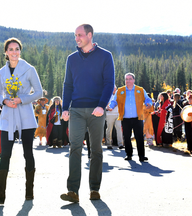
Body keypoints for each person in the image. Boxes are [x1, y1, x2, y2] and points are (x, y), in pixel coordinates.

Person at [60, 24, 114, 203]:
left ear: (89, 35)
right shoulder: (72, 59)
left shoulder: (106, 56)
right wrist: (65, 108)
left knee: (96, 150)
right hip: (75, 110)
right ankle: (73, 191)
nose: (77, 38)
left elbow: (108, 83)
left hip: (96, 111)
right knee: (75, 147)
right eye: (75, 35)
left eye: (80, 35)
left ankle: (94, 189)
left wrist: (101, 105)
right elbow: (67, 85)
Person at [0, 37, 42, 204]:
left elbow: (38, 92)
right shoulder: (1, 72)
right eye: (11, 49)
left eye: (17, 49)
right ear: (6, 52)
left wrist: (22, 99)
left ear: (20, 50)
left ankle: (29, 192)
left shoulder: (29, 69)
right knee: (5, 155)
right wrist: (4, 101)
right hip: (8, 116)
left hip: (25, 115)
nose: (14, 52)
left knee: (28, 153)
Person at [110, 73, 152, 161]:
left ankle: (141, 156)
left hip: (138, 118)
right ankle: (128, 155)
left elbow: (147, 99)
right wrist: (110, 107)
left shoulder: (140, 90)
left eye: (130, 79)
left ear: (133, 80)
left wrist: (149, 103)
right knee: (127, 137)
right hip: (125, 118)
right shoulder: (120, 91)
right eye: (126, 79)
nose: (128, 81)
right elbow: (114, 101)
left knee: (139, 137)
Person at [105, 85, 124, 149]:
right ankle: (108, 143)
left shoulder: (119, 95)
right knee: (109, 129)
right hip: (110, 114)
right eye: (113, 89)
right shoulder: (107, 95)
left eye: (115, 89)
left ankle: (120, 144)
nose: (114, 90)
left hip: (118, 114)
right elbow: (104, 104)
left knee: (119, 128)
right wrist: (107, 107)